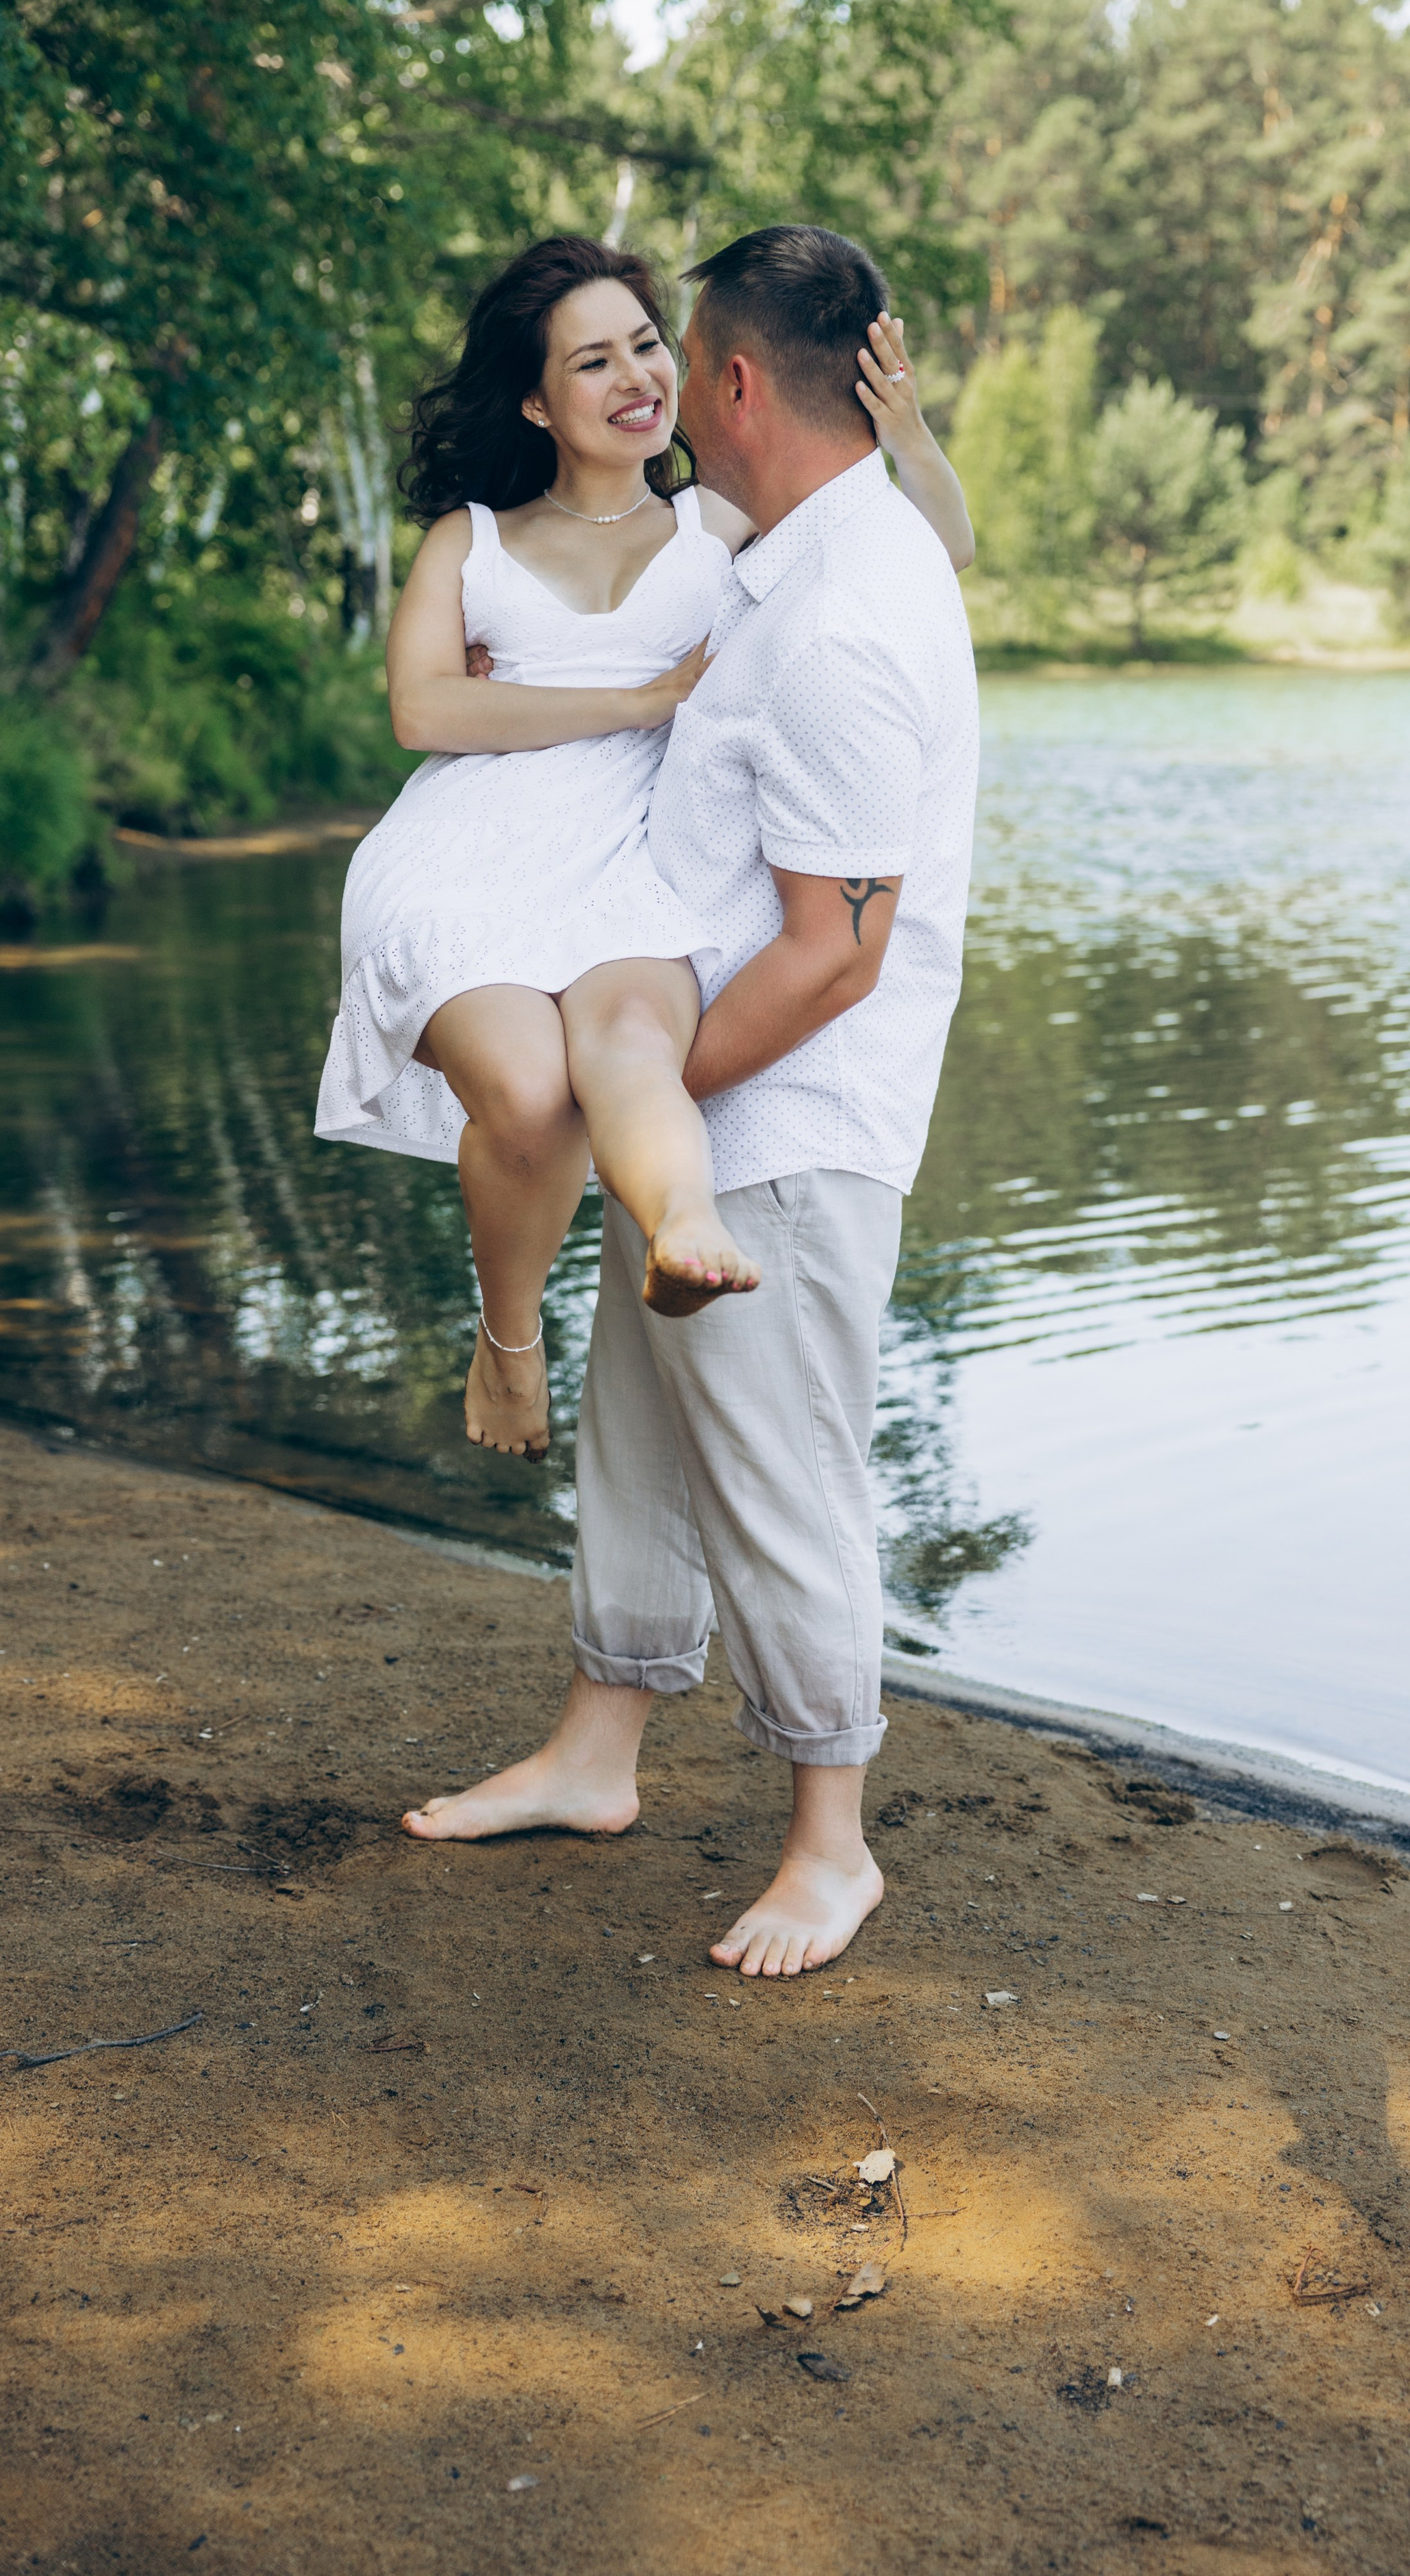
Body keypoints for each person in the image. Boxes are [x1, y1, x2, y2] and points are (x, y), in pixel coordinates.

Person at [402, 225, 981, 1986]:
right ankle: (598, 1752)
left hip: (787, 1116)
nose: (652, 390)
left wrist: (617, 1099)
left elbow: (833, 961)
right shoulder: (797, 552)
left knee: (782, 1469)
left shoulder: (836, 626)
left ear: (730, 383)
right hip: (703, 1103)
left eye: (674, 356)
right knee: (641, 1436)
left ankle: (832, 1841)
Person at [314, 233, 972, 1464]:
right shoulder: (471, 539)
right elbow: (425, 711)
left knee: (624, 1047)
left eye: (649, 344)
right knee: (521, 1088)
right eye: (593, 360)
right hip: (474, 848)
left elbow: (935, 552)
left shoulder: (713, 526)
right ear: (535, 399)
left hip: (635, 860)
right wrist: (633, 701)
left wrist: (908, 433)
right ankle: (510, 1341)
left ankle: (683, 1229)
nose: (637, 376)